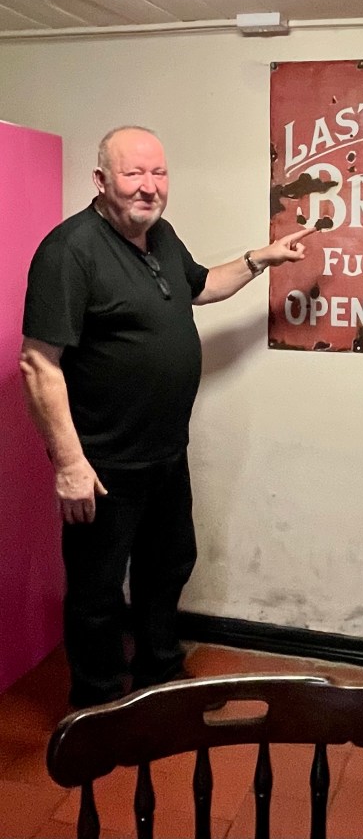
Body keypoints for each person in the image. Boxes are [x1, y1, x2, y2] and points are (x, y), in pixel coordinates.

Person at [19, 125, 312, 708]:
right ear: (101, 180)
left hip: (164, 453)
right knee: (98, 592)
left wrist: (261, 258)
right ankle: (99, 706)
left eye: (158, 173)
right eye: (133, 173)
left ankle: (159, 673)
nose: (148, 186)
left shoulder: (161, 235)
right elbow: (37, 363)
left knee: (168, 566)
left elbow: (202, 287)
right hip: (102, 464)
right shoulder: (69, 251)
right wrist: (70, 464)